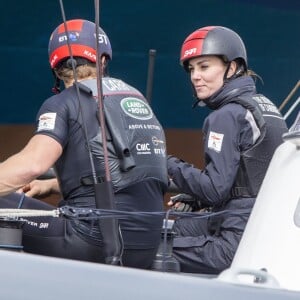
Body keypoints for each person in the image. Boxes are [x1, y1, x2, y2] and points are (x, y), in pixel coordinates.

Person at [0, 19, 168, 269]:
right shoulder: (136, 99)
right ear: (102, 61)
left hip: (91, 241)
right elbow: (121, 171)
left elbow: (33, 164)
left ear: (56, 68)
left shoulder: (62, 103)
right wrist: (51, 185)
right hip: (149, 245)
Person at [167, 26, 288, 274]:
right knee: (170, 226)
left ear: (232, 68)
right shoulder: (266, 107)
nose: (195, 76)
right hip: (260, 230)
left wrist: (167, 164)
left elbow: (214, 189)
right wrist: (194, 198)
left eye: (204, 66)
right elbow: (250, 178)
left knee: (144, 242)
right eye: (191, 69)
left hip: (231, 244)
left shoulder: (227, 116)